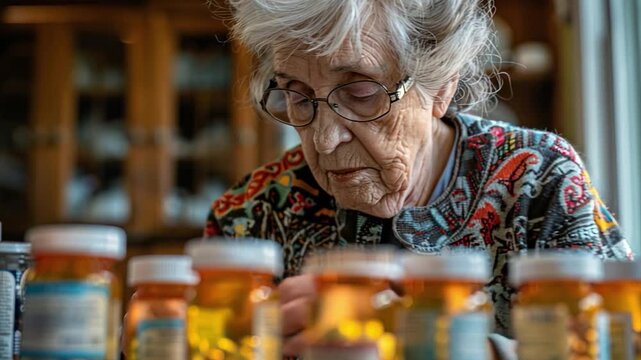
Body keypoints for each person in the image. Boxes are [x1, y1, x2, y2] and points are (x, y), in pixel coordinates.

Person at [204, 0, 632, 357]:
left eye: (361, 92)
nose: (326, 139)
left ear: (441, 86)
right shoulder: (252, 213)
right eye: (297, 95)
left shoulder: (536, 178)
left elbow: (618, 344)